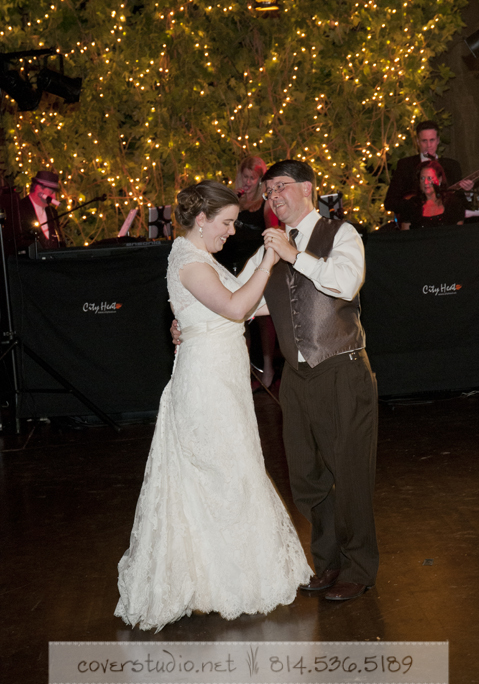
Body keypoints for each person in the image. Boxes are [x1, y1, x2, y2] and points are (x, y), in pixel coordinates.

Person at [172, 160, 379, 602]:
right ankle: (326, 565)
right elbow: (237, 305)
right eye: (268, 192)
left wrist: (294, 256)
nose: (274, 197)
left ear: (308, 188)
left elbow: (345, 283)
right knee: (307, 479)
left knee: (351, 475)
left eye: (282, 187)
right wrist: (186, 326)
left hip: (342, 369)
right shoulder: (271, 247)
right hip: (297, 379)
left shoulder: (340, 234)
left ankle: (359, 568)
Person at [115, 180, 311, 630]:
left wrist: (276, 270)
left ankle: (224, 574)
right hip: (205, 385)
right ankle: (220, 580)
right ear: (200, 221)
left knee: (230, 471)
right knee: (222, 473)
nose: (229, 231)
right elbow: (237, 306)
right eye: (224, 223)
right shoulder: (188, 262)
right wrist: (270, 261)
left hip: (221, 380)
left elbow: (246, 303)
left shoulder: (201, 258)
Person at [216, 156, 279, 388]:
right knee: (237, 319)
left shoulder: (266, 203)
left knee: (263, 319)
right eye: (245, 176)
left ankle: (268, 367)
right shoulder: (234, 200)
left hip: (256, 265)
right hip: (230, 265)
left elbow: (273, 231)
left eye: (253, 178)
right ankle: (244, 371)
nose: (249, 181)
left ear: (260, 179)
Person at [384, 120, 473, 218]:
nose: (429, 145)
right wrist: (418, 205)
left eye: (432, 140)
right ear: (418, 141)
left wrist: (467, 193)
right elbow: (390, 202)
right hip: (415, 224)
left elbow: (462, 204)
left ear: (438, 140)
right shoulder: (405, 165)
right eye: (424, 141)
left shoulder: (452, 166)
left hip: (446, 222)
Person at [398, 160, 467, 229]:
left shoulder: (453, 204)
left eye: (429, 178)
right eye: (422, 178)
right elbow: (406, 236)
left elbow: (458, 235)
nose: (425, 182)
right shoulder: (410, 206)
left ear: (439, 180)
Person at [17, 170, 65, 251]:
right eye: (51, 192)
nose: (54, 197)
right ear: (39, 188)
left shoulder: (52, 212)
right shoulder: (20, 209)